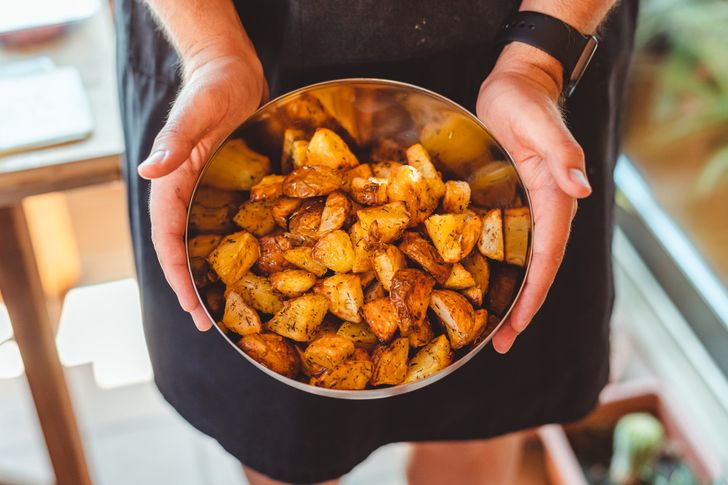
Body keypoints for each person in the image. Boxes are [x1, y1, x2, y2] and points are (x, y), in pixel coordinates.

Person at [115, 1, 637, 483]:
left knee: (484, 413)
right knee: (286, 444)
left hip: (525, 40)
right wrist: (210, 50)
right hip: (229, 37)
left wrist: (538, 61)